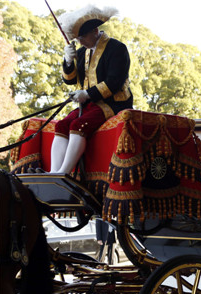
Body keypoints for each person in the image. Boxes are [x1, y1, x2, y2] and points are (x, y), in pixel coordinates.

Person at [50, 5, 133, 174]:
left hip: (114, 104)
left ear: (95, 30)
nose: (80, 42)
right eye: (78, 38)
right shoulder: (82, 52)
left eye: (83, 37)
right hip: (89, 104)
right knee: (62, 125)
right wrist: (68, 61)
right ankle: (53, 172)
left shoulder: (117, 48)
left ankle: (63, 173)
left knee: (78, 125)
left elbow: (114, 82)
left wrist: (87, 94)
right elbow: (70, 81)